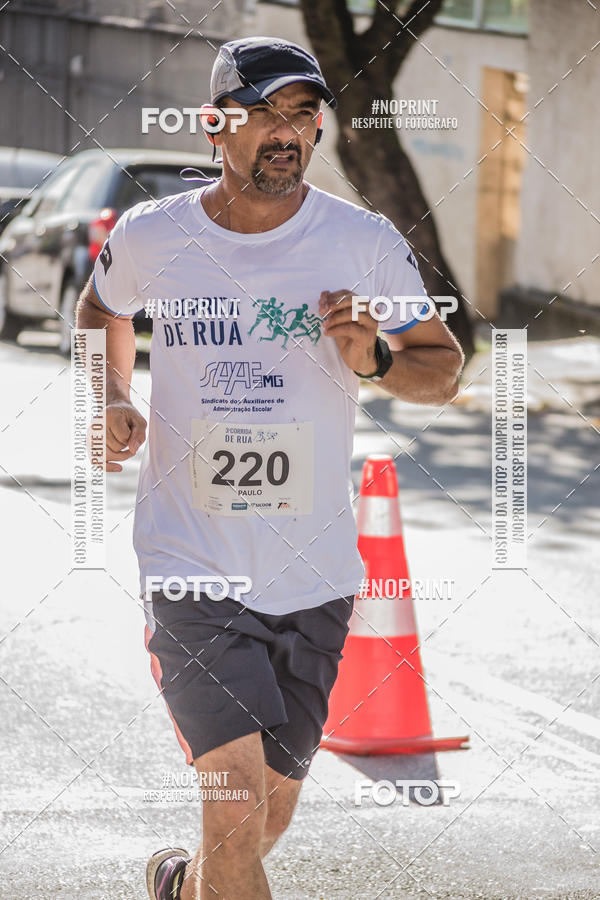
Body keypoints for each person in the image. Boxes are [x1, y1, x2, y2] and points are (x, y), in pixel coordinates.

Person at [76, 35, 464, 900]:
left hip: (314, 577)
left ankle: (182, 888)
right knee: (235, 806)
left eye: (301, 113)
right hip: (191, 570)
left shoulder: (359, 241)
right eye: (262, 113)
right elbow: (99, 307)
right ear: (215, 125)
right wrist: (110, 394)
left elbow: (442, 365)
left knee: (266, 820)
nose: (285, 131)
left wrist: (374, 362)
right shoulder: (154, 234)